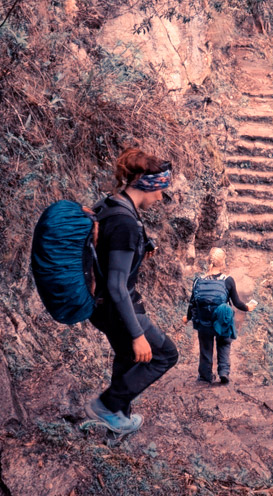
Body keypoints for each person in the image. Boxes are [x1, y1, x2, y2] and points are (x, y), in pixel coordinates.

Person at [85, 148, 179, 435]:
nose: (161, 197)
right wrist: (138, 335)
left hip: (100, 305)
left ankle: (117, 422)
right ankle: (107, 405)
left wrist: (140, 251)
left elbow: (107, 252)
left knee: (127, 358)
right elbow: (116, 284)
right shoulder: (126, 223)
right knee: (164, 354)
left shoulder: (111, 203)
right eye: (161, 190)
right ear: (147, 186)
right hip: (116, 307)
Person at [184, 248, 257, 385]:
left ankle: (205, 375)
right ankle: (223, 372)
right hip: (221, 321)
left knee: (205, 346)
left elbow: (192, 303)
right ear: (223, 262)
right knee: (224, 343)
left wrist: (187, 317)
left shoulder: (198, 280)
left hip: (203, 321)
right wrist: (248, 307)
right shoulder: (227, 280)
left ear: (208, 261)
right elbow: (237, 303)